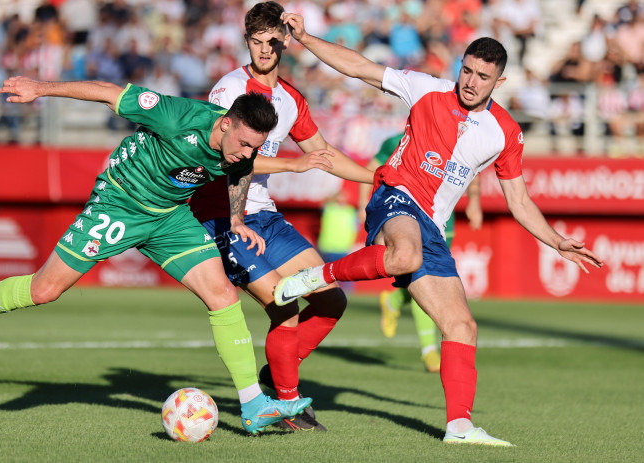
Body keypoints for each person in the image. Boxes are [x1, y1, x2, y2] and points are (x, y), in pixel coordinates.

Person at [0, 77, 312, 435]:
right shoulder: (177, 116)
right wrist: (40, 89)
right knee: (44, 290)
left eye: (254, 147)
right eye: (243, 143)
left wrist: (237, 219)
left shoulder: (241, 149)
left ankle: (253, 406)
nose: (246, 153)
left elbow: (240, 172)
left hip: (169, 217)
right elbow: (108, 94)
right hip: (119, 204)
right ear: (225, 122)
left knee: (223, 296)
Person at [275, 12, 604, 446]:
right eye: (466, 70)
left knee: (462, 326)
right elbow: (359, 67)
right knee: (405, 254)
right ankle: (315, 278)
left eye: (482, 76)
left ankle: (460, 428)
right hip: (394, 196)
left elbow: (518, 201)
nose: (470, 82)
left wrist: (558, 241)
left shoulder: (505, 133)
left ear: (498, 83)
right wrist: (304, 38)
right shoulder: (426, 88)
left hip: (433, 224)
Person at [188, 1, 374, 432]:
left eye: (273, 41)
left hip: (265, 218)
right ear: (247, 40)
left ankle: (280, 368)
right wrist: (292, 165)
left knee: (331, 298)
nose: (265, 50)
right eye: (256, 41)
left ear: (285, 41)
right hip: (224, 216)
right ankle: (289, 405)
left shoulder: (291, 99)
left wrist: (378, 180)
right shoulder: (228, 89)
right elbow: (228, 157)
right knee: (285, 307)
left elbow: (323, 155)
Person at [358, 134, 483, 374]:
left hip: (445, 218)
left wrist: (474, 202)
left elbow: (472, 170)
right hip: (410, 216)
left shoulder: (455, 139)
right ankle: (429, 352)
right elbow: (371, 170)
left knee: (432, 277)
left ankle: (394, 300)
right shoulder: (397, 140)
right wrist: (363, 204)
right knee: (422, 274)